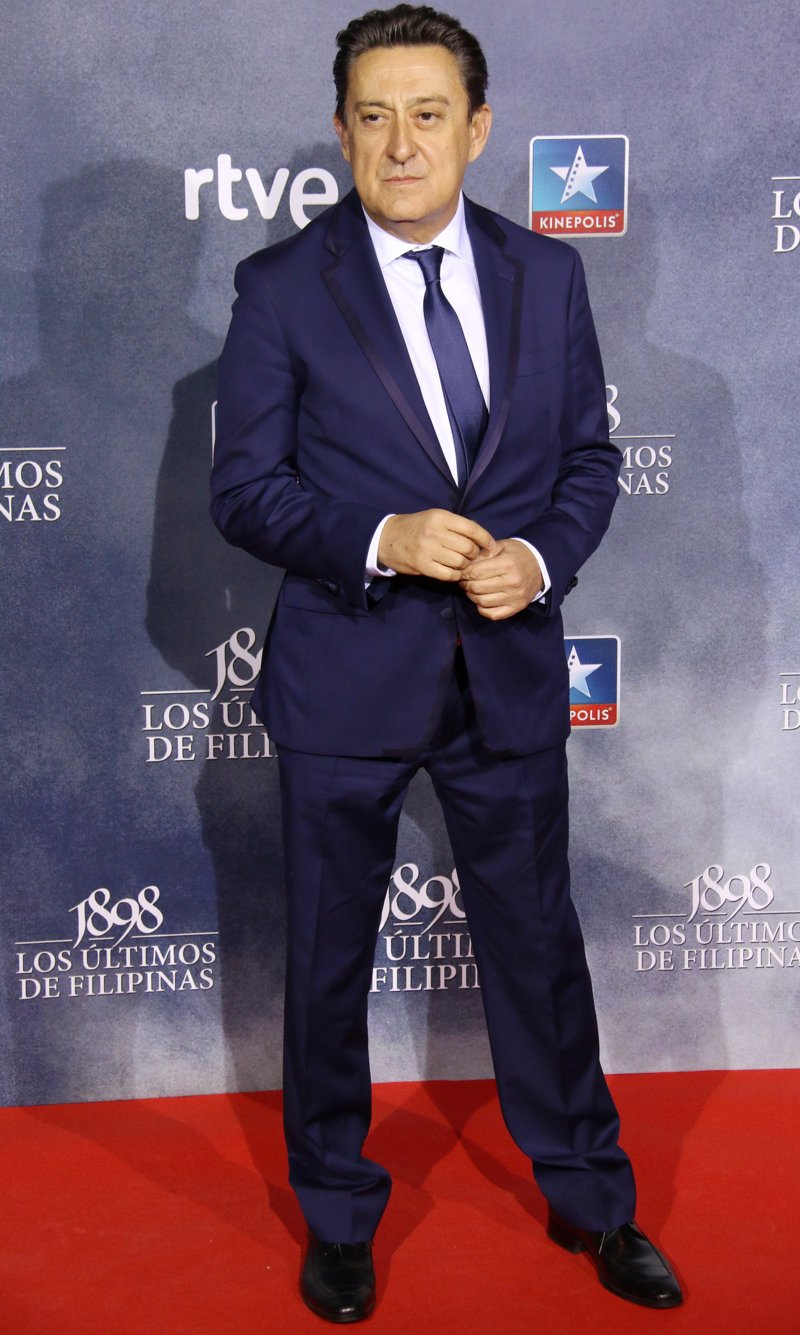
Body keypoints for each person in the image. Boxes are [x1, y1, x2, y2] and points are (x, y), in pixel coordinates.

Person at [211, 4, 682, 1321]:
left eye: (427, 114)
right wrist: (383, 538)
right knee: (327, 964)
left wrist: (537, 560)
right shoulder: (280, 287)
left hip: (510, 673)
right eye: (373, 116)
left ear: (477, 129)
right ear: (342, 131)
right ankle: (337, 1214)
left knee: (539, 951)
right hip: (344, 679)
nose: (401, 143)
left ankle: (594, 1201)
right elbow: (244, 492)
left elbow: (587, 463)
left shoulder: (549, 275)